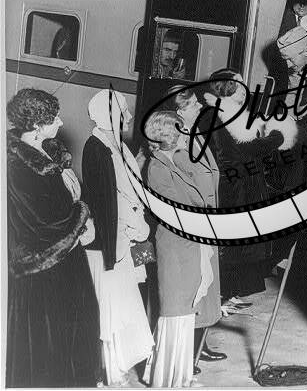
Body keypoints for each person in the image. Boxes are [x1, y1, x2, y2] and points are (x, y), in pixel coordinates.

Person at [6, 88, 100, 387]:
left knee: (75, 334)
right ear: (36, 124)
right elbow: (41, 223)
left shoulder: (49, 153)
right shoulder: (17, 166)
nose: (60, 122)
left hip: (67, 259)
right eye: (53, 118)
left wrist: (80, 218)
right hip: (44, 268)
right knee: (51, 346)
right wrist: (82, 215)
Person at [143, 111, 223, 387]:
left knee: (186, 314)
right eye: (182, 130)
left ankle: (181, 376)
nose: (187, 134)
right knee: (175, 314)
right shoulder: (157, 168)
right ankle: (167, 379)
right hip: (176, 248)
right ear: (169, 135)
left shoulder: (172, 162)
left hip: (188, 245)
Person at [203, 68, 297, 299]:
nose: (244, 89)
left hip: (244, 183)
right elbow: (246, 150)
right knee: (236, 244)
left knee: (243, 242)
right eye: (238, 84)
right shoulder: (220, 114)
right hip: (235, 187)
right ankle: (225, 293)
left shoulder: (230, 112)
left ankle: (232, 291)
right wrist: (278, 136)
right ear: (225, 88)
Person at [82, 89, 154, 386]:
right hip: (114, 242)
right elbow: (107, 202)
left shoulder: (117, 144)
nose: (129, 116)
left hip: (134, 235)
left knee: (134, 294)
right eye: (123, 111)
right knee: (114, 307)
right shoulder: (97, 148)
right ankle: (110, 370)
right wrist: (136, 226)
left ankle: (125, 363)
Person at [167, 86, 227, 370]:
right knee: (193, 286)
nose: (200, 107)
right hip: (193, 222)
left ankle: (199, 345)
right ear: (179, 112)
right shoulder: (174, 141)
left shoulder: (196, 134)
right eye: (193, 104)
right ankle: (184, 353)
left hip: (207, 218)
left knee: (207, 284)